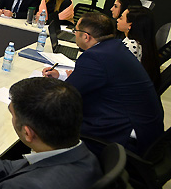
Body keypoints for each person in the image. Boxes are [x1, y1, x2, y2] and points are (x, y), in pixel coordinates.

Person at [43, 12, 164, 155]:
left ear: (86, 37)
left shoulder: (95, 57)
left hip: (127, 138)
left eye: (75, 30)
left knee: (51, 118)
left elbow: (66, 94)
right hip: (146, 129)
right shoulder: (115, 47)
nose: (74, 34)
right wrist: (63, 76)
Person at [117, 6, 161, 89]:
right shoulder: (141, 43)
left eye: (121, 18)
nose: (117, 20)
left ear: (130, 25)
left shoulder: (132, 45)